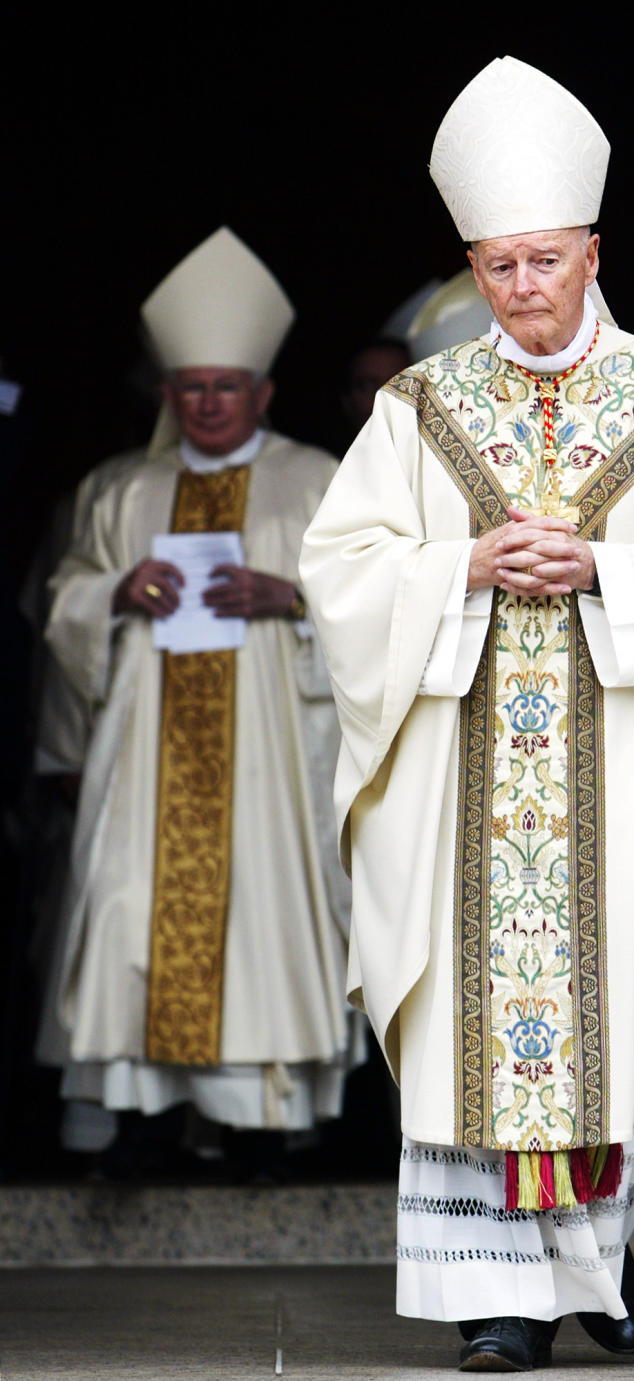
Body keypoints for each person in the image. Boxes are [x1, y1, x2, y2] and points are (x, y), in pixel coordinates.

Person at [300, 57, 634, 1372]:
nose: (522, 287)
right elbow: (343, 567)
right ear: (471, 269)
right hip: (461, 771)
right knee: (480, 1035)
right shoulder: (418, 407)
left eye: (544, 259)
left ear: (592, 251)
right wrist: (459, 569)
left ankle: (597, 1253)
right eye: (496, 266)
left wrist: (610, 567)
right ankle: (502, 1300)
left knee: (633, 1019)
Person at [40, 227, 354, 1172]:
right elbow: (65, 596)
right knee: (134, 911)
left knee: (260, 914)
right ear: (168, 394)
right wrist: (116, 591)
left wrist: (291, 598)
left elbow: (381, 604)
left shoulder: (317, 482)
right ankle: (139, 1119)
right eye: (192, 388)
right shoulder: (124, 490)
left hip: (268, 758)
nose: (208, 403)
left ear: (261, 393)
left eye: (226, 387)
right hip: (148, 757)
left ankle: (265, 1126)